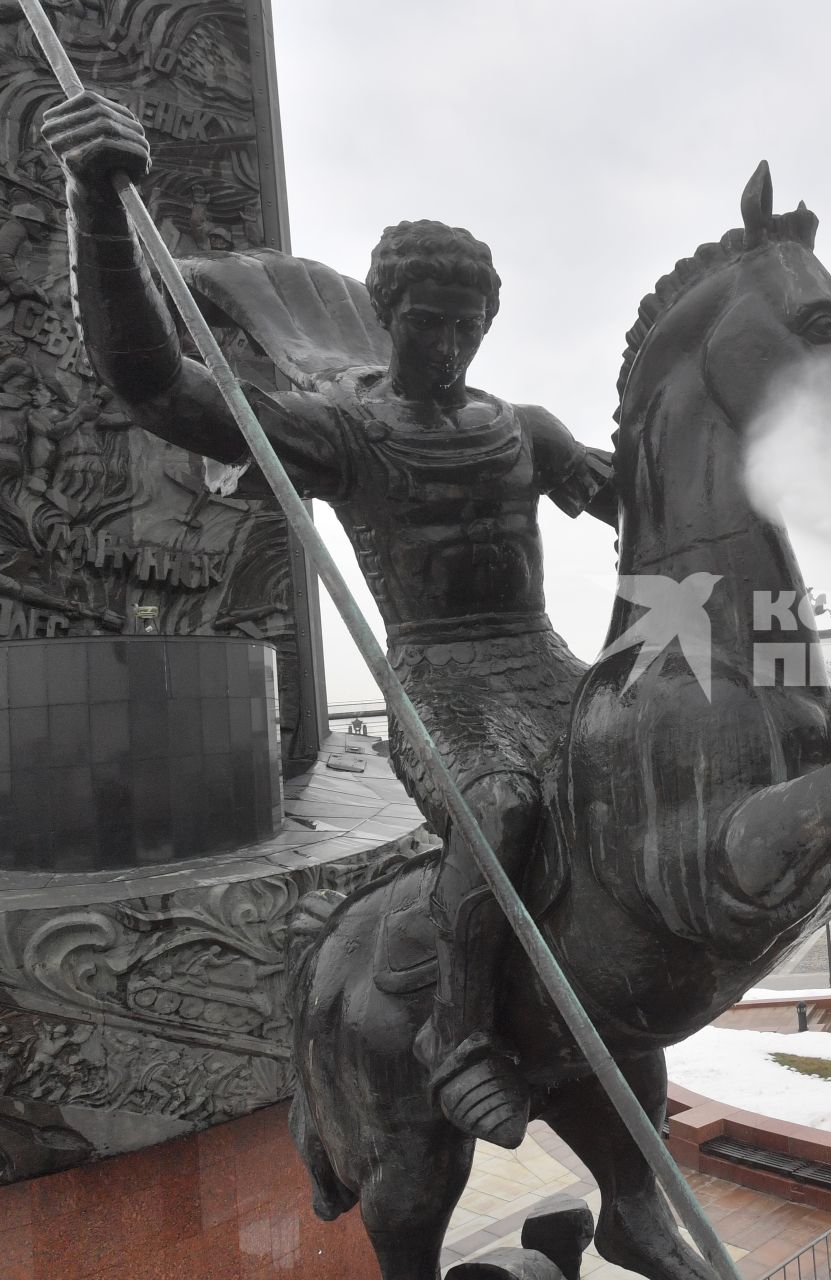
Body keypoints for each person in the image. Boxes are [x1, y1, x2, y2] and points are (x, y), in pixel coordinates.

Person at [43, 89, 620, 1149]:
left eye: (466, 325)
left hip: (546, 660)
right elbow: (155, 385)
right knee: (500, 811)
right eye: (425, 322)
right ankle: (458, 1035)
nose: (446, 345)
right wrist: (95, 203)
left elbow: (631, 495)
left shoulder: (522, 427)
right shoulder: (342, 432)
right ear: (384, 315)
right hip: (443, 681)